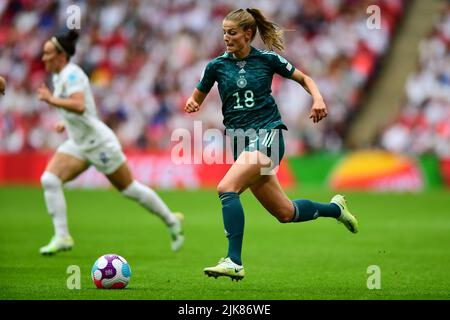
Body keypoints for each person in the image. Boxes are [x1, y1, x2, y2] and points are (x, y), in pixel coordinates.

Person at [185, 8, 358, 281]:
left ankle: (234, 261)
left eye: (232, 32)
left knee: (226, 188)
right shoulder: (216, 66)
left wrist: (318, 99)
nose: (226, 38)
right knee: (286, 213)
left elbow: (305, 78)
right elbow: (197, 96)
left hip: (268, 135)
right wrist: (194, 102)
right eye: (224, 33)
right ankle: (336, 209)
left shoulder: (267, 60)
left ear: (248, 34)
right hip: (241, 144)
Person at [37, 30, 184, 255]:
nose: (43, 58)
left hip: (99, 143)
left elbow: (79, 105)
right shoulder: (58, 76)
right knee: (49, 179)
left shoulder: (71, 75)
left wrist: (50, 99)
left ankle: (171, 220)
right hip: (78, 142)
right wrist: (64, 122)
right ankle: (62, 235)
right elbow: (77, 109)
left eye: (48, 53)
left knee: (129, 189)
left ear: (61, 55)